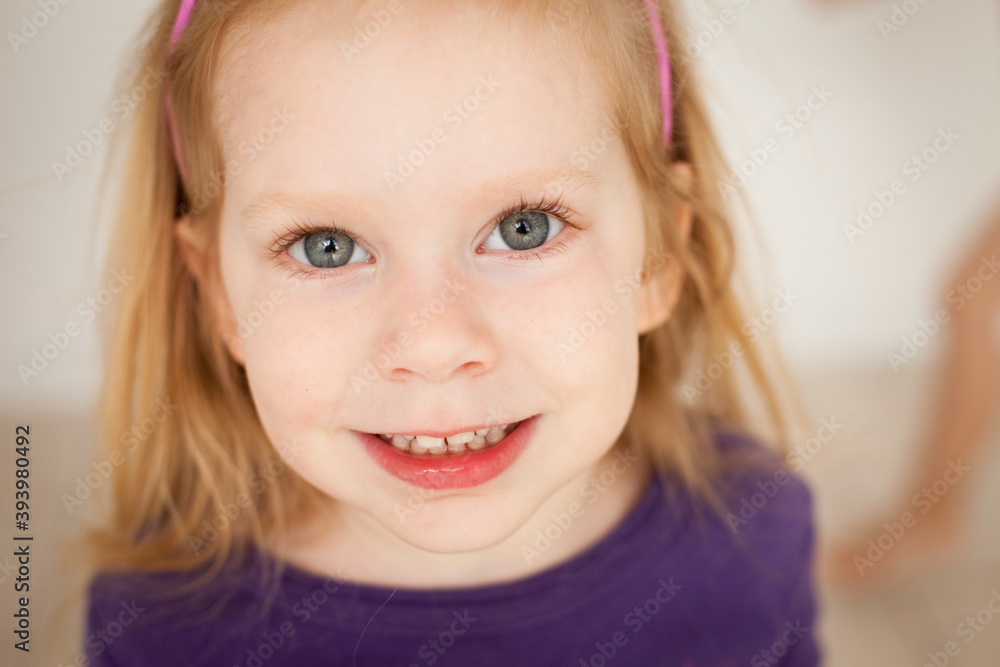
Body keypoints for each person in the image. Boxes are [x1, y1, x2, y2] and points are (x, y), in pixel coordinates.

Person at [81, 0, 819, 664]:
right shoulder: (159, 627)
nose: (434, 345)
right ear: (218, 293)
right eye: (325, 245)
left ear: (658, 258)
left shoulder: (755, 538)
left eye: (524, 229)